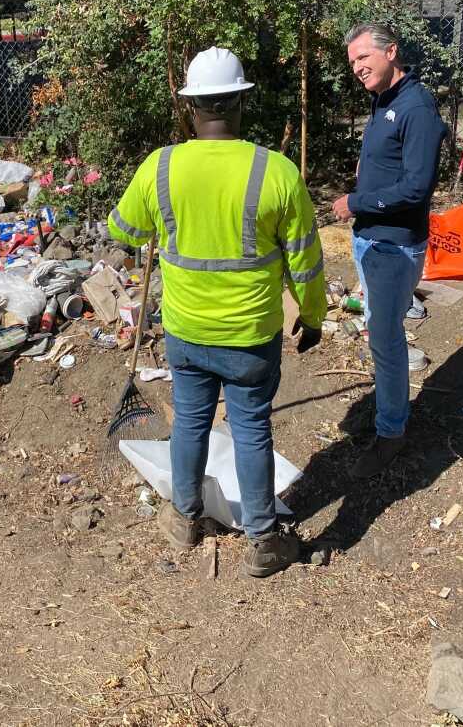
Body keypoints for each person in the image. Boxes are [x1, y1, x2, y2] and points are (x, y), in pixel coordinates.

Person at [108, 46, 327, 578]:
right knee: (251, 429)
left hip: (187, 332)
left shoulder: (161, 167)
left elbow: (123, 231)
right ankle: (263, 541)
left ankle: (184, 519)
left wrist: (165, 220)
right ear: (241, 103)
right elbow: (306, 261)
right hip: (251, 336)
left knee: (190, 424)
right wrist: (313, 316)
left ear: (192, 107)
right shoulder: (275, 172)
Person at [332, 23, 448, 478]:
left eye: (364, 58)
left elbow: (418, 187)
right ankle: (389, 412)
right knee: (379, 330)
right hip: (372, 237)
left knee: (384, 336)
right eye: (352, 62)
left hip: (392, 243)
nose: (358, 68)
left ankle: (391, 433)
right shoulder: (384, 99)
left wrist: (355, 201)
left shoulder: (417, 107)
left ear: (391, 52)